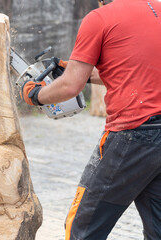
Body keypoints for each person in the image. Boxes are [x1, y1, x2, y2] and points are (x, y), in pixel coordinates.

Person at [21, 0, 161, 239]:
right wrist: (81, 71)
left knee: (83, 229)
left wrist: (35, 95)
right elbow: (127, 68)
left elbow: (69, 87)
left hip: (132, 134)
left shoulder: (99, 18)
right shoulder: (156, 8)